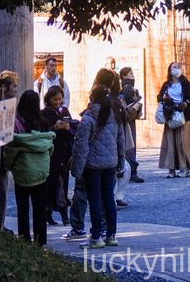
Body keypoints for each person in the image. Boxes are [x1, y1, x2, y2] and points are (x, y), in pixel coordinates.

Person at [70, 71, 125, 248]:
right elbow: (120, 140)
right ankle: (111, 235)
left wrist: (76, 170)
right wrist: (121, 161)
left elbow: (81, 146)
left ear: (93, 99)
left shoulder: (88, 118)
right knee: (109, 198)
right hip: (110, 162)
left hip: (93, 165)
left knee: (95, 199)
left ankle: (96, 236)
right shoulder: (114, 114)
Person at [2, 91, 55, 247]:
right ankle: (41, 240)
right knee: (39, 208)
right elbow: (49, 147)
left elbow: (11, 149)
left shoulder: (17, 124)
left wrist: (9, 165)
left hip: (23, 172)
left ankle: (24, 239)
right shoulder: (44, 123)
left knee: (23, 208)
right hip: (40, 172)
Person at [157, 61, 190, 177]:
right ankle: (171, 169)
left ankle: (184, 168)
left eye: (178, 67)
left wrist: (185, 104)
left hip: (183, 115)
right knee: (170, 143)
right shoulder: (166, 84)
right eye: (174, 67)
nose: (177, 68)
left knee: (182, 142)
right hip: (170, 115)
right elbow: (159, 97)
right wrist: (165, 98)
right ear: (170, 70)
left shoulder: (185, 83)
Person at [40, 84, 73, 223]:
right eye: (55, 100)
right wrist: (54, 128)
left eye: (60, 99)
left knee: (63, 183)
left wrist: (68, 126)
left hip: (64, 151)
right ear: (49, 99)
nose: (58, 102)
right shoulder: (44, 113)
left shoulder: (64, 111)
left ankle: (64, 213)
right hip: (51, 152)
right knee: (51, 184)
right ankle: (49, 212)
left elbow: (72, 126)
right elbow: (42, 131)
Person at [0, 69, 20, 229]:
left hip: (2, 158)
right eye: (14, 86)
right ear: (4, 88)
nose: (16, 90)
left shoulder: (6, 106)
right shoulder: (1, 107)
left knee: (1, 194)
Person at [119, 66, 144, 184]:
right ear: (123, 76)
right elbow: (129, 101)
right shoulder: (126, 88)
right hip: (128, 120)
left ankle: (131, 170)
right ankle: (130, 171)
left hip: (131, 119)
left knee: (131, 145)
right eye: (130, 73)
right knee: (129, 145)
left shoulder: (131, 88)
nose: (132, 75)